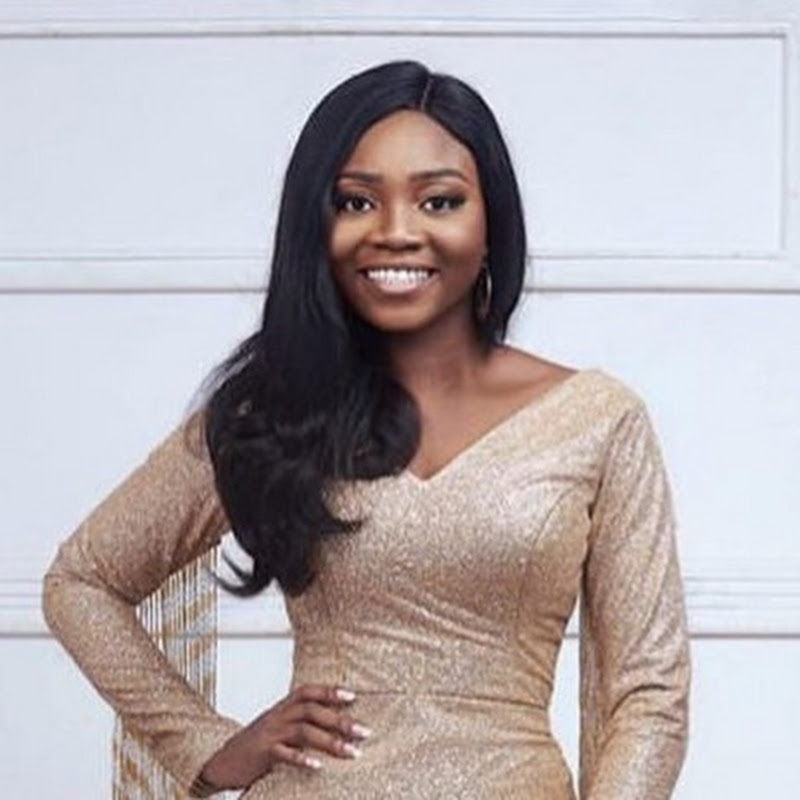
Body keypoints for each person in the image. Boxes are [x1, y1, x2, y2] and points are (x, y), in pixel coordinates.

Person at [42, 60, 690, 799]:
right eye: (356, 202)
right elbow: (82, 581)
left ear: (492, 224)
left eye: (439, 201)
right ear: (317, 228)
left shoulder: (597, 420)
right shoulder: (278, 410)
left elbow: (648, 695)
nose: (396, 233)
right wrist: (208, 747)